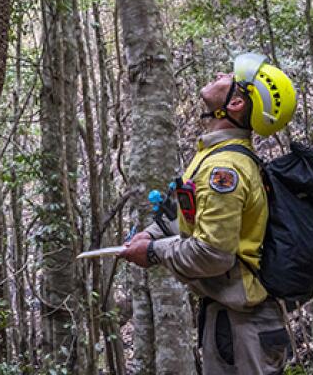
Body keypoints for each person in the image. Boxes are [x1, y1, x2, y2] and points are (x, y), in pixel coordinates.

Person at [119, 53, 297, 375]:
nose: (219, 73)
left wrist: (154, 252)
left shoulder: (224, 169)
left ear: (236, 104)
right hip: (235, 322)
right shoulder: (217, 156)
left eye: (230, 78)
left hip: (244, 329)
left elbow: (213, 253)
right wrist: (154, 232)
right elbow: (195, 219)